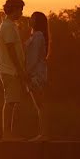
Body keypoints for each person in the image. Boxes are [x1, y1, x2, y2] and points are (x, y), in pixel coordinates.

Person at [0, 0, 27, 139]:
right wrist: (20, 70)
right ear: (14, 9)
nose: (21, 13)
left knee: (13, 101)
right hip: (10, 71)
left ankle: (10, 133)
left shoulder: (10, 25)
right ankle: (7, 134)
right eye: (20, 10)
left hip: (11, 70)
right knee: (10, 101)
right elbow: (11, 50)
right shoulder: (8, 26)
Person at [25, 11, 50, 140]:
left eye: (32, 18)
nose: (29, 19)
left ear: (37, 21)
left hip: (36, 75)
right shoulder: (34, 35)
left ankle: (44, 134)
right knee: (39, 105)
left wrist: (26, 73)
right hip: (34, 74)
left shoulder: (38, 35)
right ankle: (43, 133)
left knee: (40, 105)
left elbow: (33, 57)